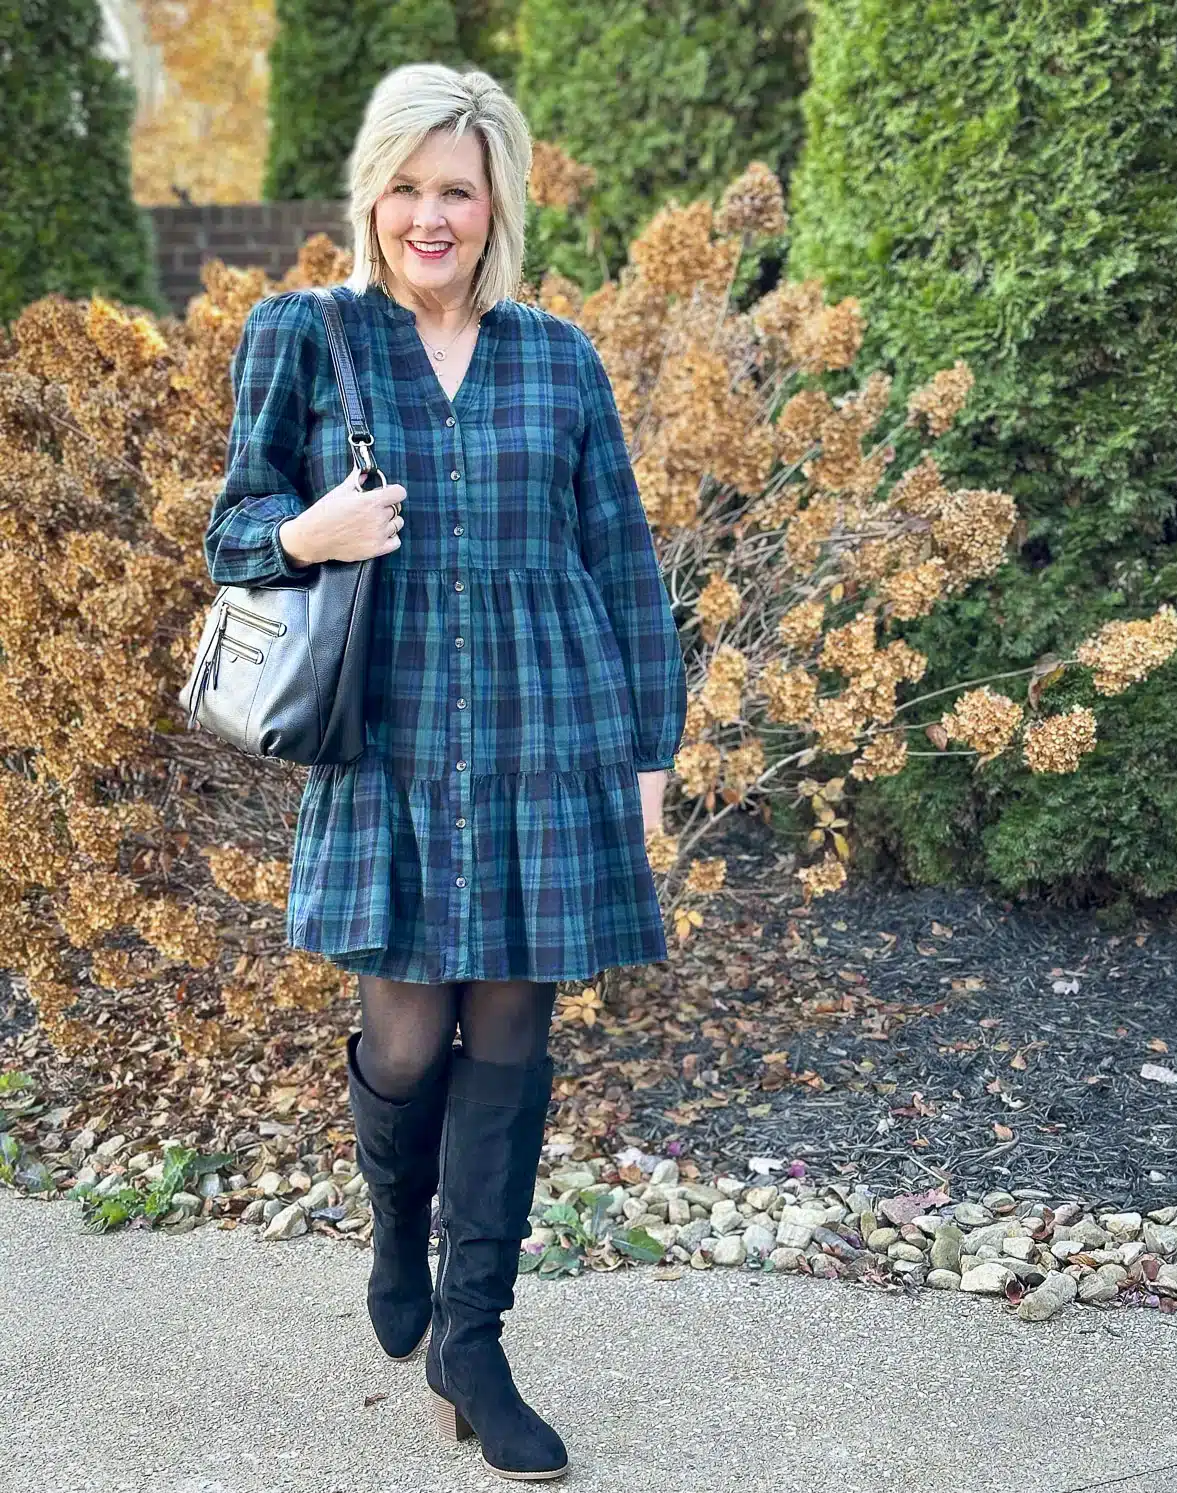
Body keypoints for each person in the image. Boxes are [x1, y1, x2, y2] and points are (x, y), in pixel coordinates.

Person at [202, 61, 687, 1484]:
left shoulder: (562, 358)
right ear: (374, 193)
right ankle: (391, 1231)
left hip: (553, 732)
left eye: (456, 191)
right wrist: (308, 537)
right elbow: (234, 530)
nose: (431, 215)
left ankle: (474, 1335)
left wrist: (648, 755)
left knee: (516, 1040)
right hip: (396, 735)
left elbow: (625, 567)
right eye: (408, 187)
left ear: (496, 205)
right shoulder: (309, 334)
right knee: (408, 1042)